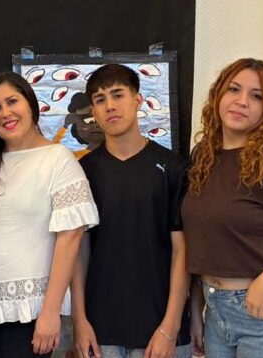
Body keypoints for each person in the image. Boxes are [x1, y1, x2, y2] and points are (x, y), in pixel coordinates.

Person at [0, 72, 99, 358]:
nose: (5, 113)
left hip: (30, 314)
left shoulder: (58, 159)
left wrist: (50, 312)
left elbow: (71, 239)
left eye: (12, 101)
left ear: (30, 103)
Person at [71, 64, 191, 358]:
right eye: (100, 100)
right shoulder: (82, 171)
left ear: (138, 100)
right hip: (100, 331)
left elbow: (182, 251)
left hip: (160, 330)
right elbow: (78, 250)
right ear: (94, 111)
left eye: (118, 95)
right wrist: (79, 320)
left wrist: (170, 326)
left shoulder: (174, 168)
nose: (110, 106)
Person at [182, 58, 263, 357]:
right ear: (219, 94)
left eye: (257, 96)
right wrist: (196, 307)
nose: (242, 101)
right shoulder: (203, 155)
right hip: (215, 311)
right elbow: (204, 236)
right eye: (234, 89)